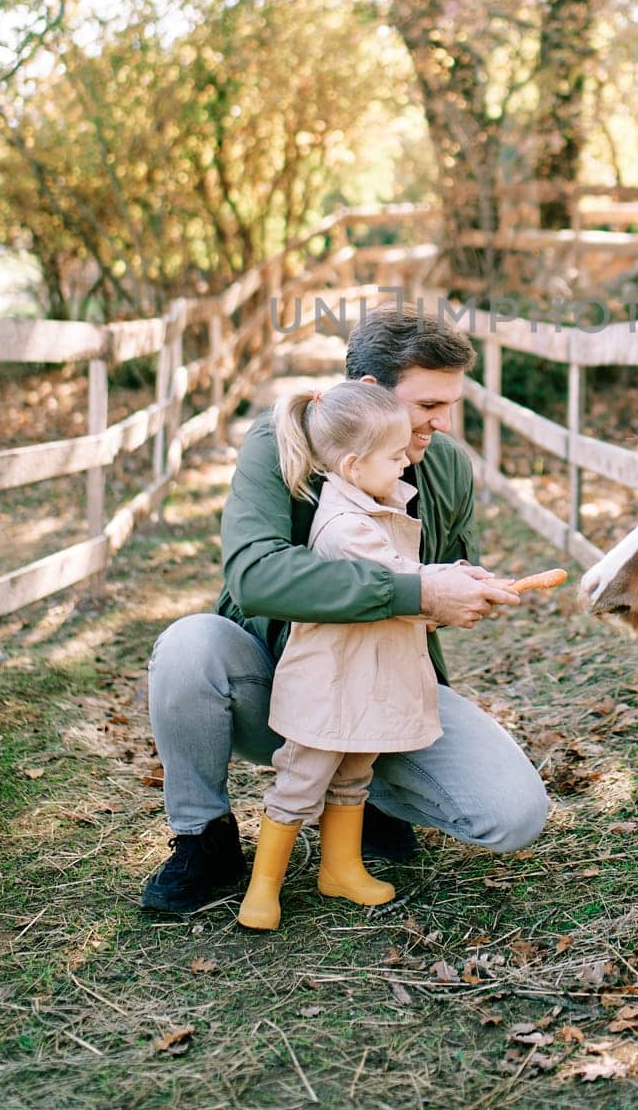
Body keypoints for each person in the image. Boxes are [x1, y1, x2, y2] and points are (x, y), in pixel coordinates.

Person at [141, 308, 550, 914]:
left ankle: (368, 806)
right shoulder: (278, 442)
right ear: (369, 393)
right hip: (280, 680)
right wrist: (416, 594)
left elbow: (442, 573)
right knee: (187, 646)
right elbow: (254, 575)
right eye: (428, 405)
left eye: (449, 404)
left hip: (384, 684)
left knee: (515, 816)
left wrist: (466, 589)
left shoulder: (448, 465)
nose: (443, 422)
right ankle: (204, 839)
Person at [239, 381, 478, 929]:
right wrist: (446, 586)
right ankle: (262, 887)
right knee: (300, 781)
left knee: (353, 775)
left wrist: (458, 576)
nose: (404, 466)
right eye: (394, 457)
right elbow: (400, 578)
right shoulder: (348, 528)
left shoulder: (373, 502)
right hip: (329, 684)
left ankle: (340, 869)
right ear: (351, 465)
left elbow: (415, 575)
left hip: (367, 677)